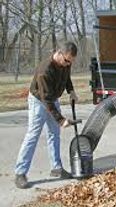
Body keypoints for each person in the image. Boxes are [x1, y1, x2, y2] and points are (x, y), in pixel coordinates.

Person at [14, 42, 81, 189]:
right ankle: (20, 173)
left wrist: (71, 91)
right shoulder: (45, 70)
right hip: (39, 101)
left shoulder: (65, 63)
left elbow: (66, 76)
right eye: (67, 60)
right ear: (59, 53)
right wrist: (61, 120)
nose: (68, 64)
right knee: (33, 135)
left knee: (54, 134)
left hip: (52, 98)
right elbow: (46, 100)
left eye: (71, 61)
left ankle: (56, 168)